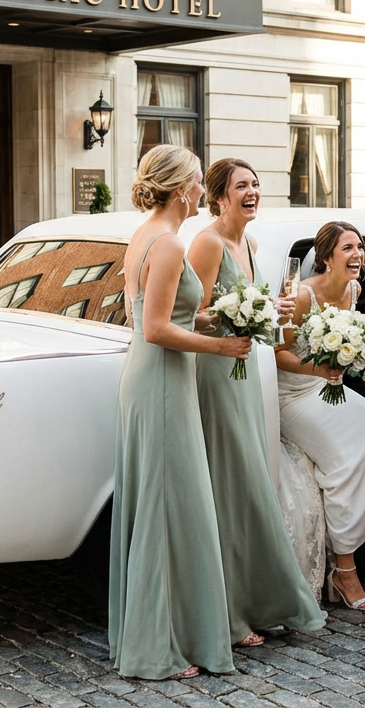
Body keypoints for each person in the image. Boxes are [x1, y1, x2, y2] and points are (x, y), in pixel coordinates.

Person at [109, 145, 251, 680]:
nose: (200, 191)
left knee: (161, 504)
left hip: (151, 378)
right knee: (167, 508)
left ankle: (166, 629)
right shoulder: (168, 243)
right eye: (196, 181)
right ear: (181, 187)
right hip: (162, 380)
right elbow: (156, 328)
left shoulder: (145, 234)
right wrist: (222, 348)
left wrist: (228, 316)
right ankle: (154, 648)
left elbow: (171, 311)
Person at [189, 158, 327, 645]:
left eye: (255, 184)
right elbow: (193, 315)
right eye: (241, 186)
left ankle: (253, 599)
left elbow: (256, 308)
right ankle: (230, 611)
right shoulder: (206, 243)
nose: (252, 192)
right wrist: (239, 316)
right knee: (231, 482)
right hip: (219, 370)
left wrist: (272, 308)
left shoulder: (248, 241)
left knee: (250, 481)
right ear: (219, 196)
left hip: (247, 370)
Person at [275, 221, 365, 611]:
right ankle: (345, 570)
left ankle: (345, 540)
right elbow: (278, 354)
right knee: (345, 459)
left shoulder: (354, 290)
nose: (357, 254)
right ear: (326, 257)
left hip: (327, 387)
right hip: (291, 393)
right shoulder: (303, 294)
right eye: (347, 248)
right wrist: (320, 370)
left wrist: (352, 356)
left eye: (359, 246)